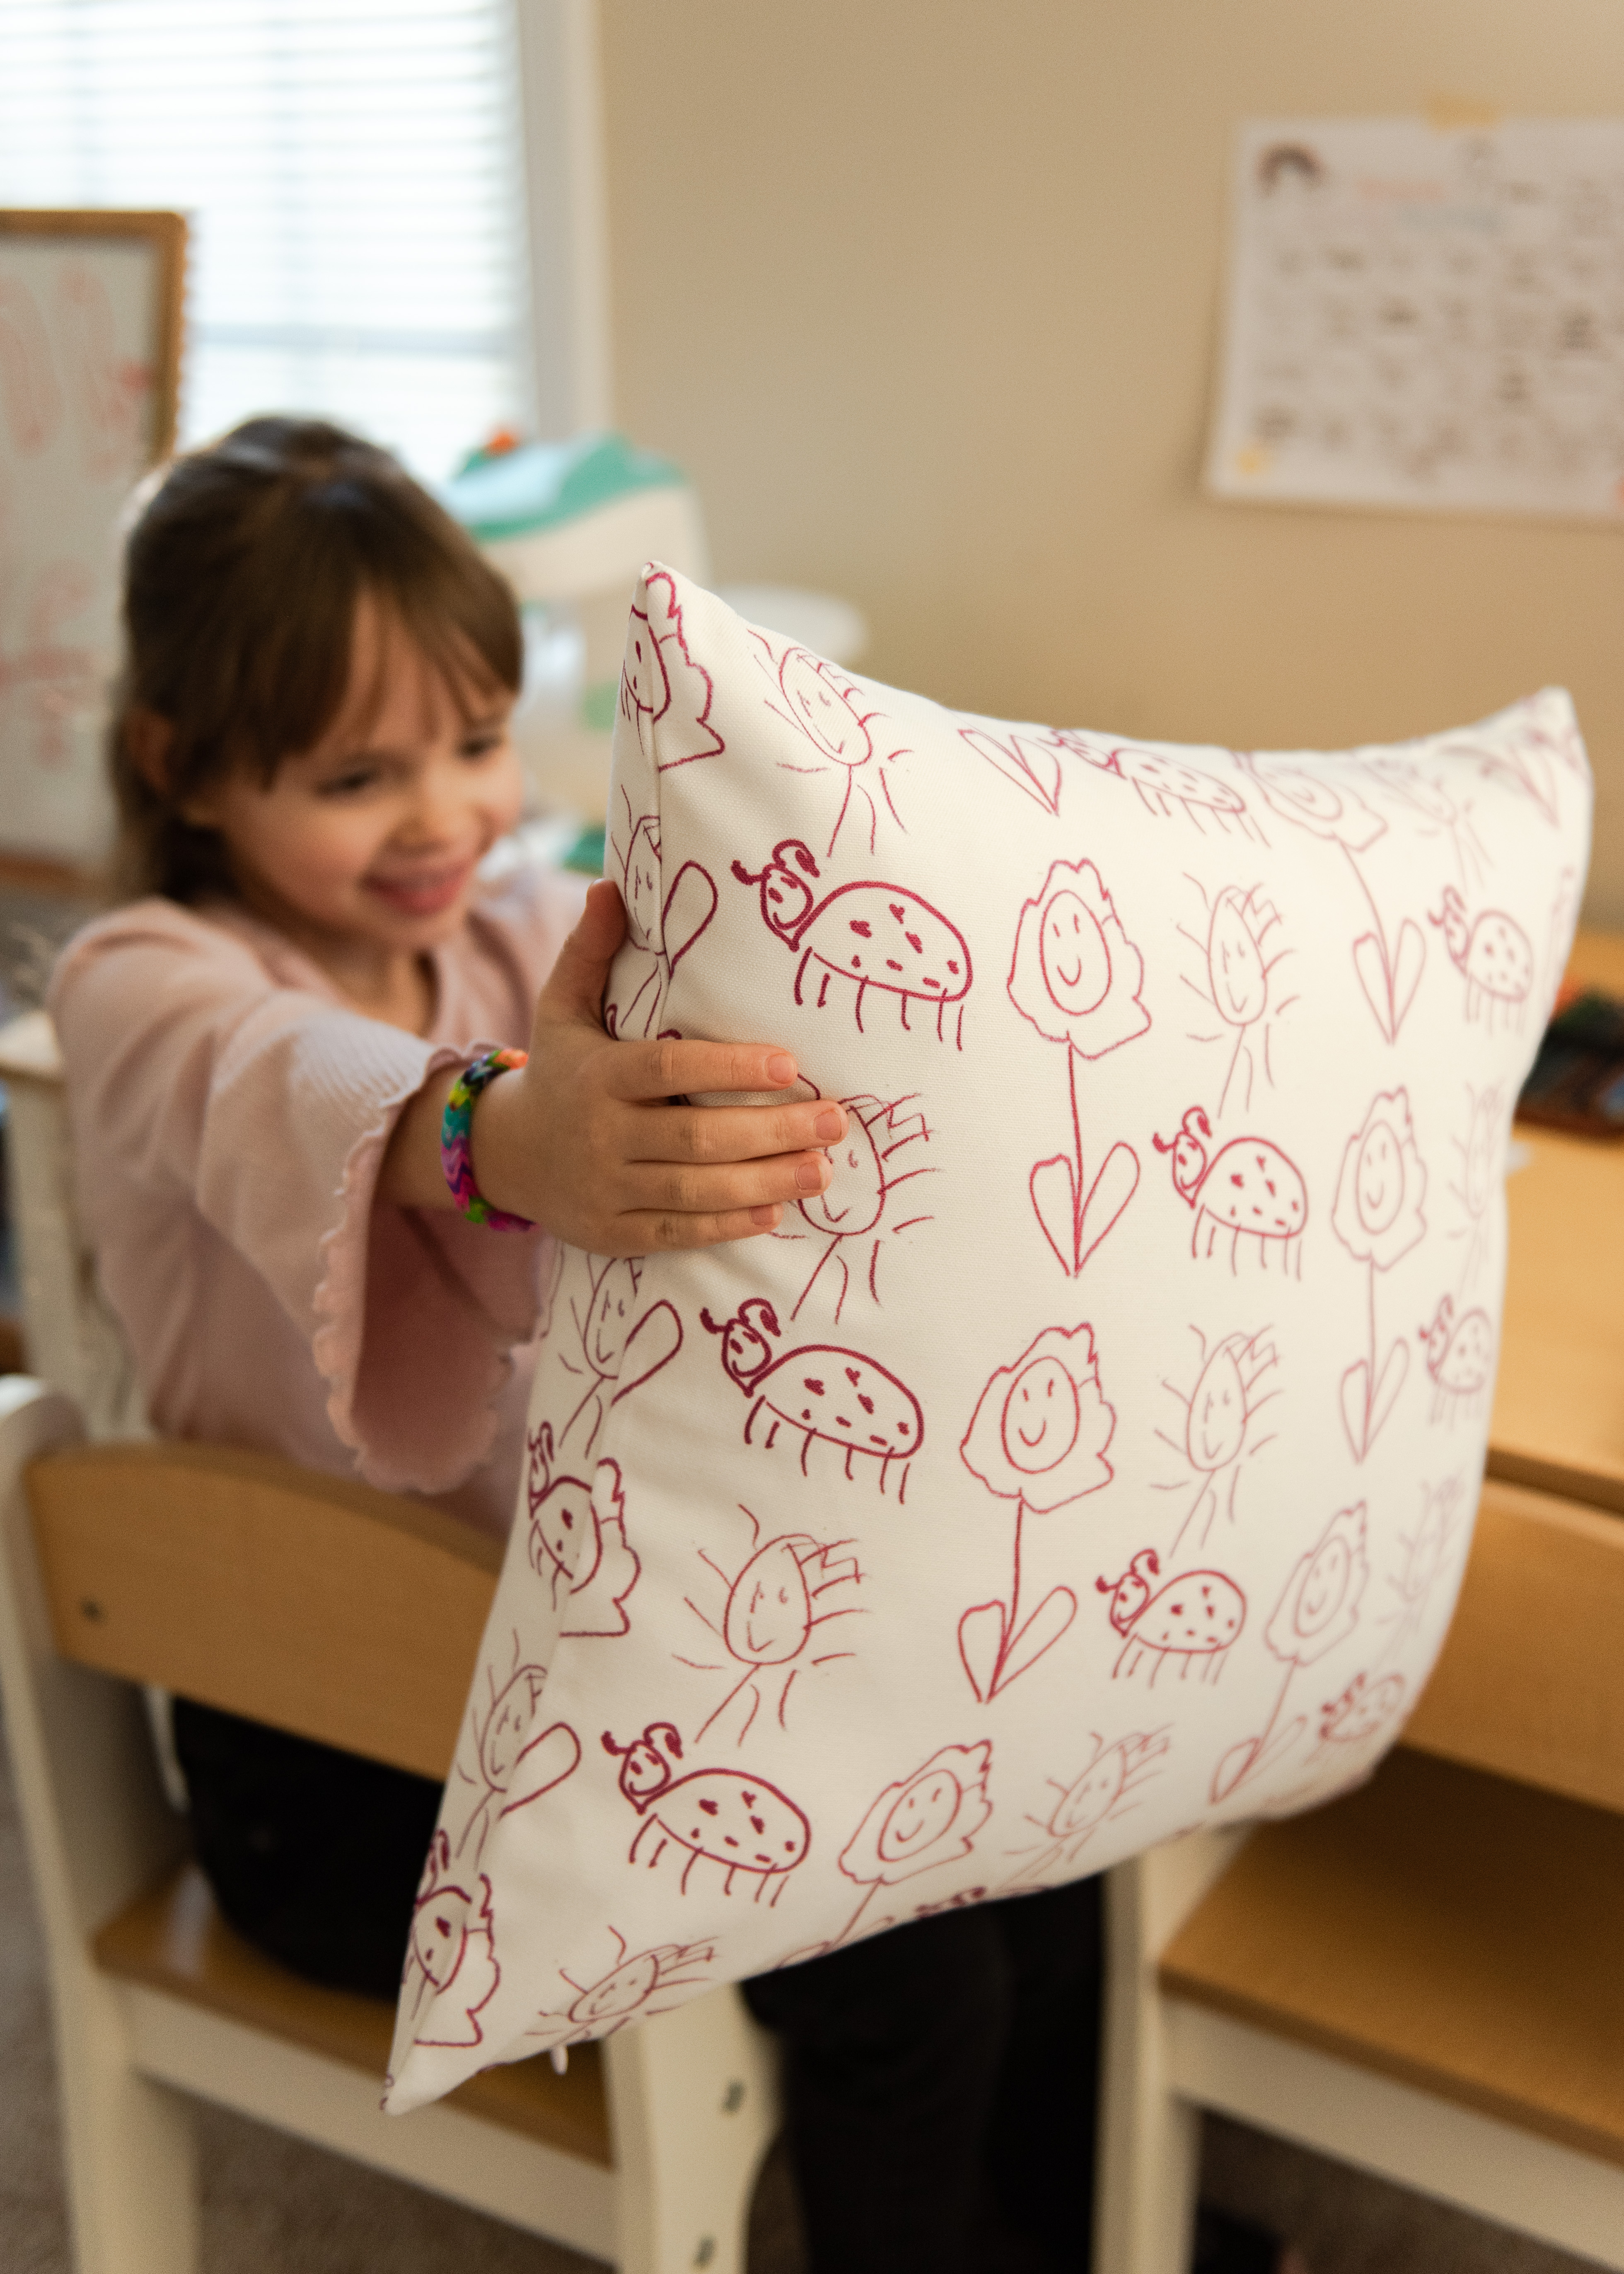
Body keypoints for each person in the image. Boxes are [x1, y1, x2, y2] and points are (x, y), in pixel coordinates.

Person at [51, 415, 1281, 2274]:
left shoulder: (521, 922)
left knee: (1034, 1825)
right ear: (187, 766)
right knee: (909, 1958)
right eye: (353, 773)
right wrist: (495, 1131)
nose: (440, 817)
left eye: (472, 742)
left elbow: (720, 1015)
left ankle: (1088, 2223)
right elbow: (279, 1084)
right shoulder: (138, 976)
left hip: (581, 1670)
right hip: (337, 1756)